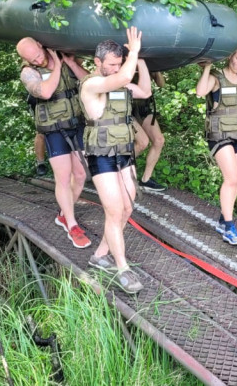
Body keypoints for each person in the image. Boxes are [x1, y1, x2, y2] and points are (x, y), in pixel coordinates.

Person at [79, 27, 150, 294]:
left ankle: (99, 256)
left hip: (124, 153)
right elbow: (122, 77)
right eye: (111, 64)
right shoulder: (92, 84)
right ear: (97, 63)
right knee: (114, 210)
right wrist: (134, 53)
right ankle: (123, 269)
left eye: (119, 63)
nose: (116, 68)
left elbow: (143, 90)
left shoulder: (120, 80)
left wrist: (139, 60)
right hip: (101, 155)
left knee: (127, 209)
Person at [16, 37, 92, 249]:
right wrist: (57, 66)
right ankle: (73, 225)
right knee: (63, 177)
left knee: (81, 175)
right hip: (54, 130)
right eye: (32, 59)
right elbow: (46, 91)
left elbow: (89, 81)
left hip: (75, 124)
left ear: (41, 46)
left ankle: (64, 214)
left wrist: (71, 63)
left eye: (39, 55)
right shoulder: (28, 72)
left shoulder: (64, 56)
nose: (38, 60)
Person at [195, 35, 237, 245]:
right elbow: (200, 92)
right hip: (219, 135)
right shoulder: (217, 77)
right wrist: (206, 68)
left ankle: (223, 219)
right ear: (229, 57)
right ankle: (229, 228)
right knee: (231, 178)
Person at [132, 70, 167, 192]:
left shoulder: (147, 63)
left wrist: (156, 70)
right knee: (142, 143)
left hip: (144, 109)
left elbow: (161, 84)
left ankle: (146, 179)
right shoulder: (123, 61)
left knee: (159, 140)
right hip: (127, 110)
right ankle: (117, 168)